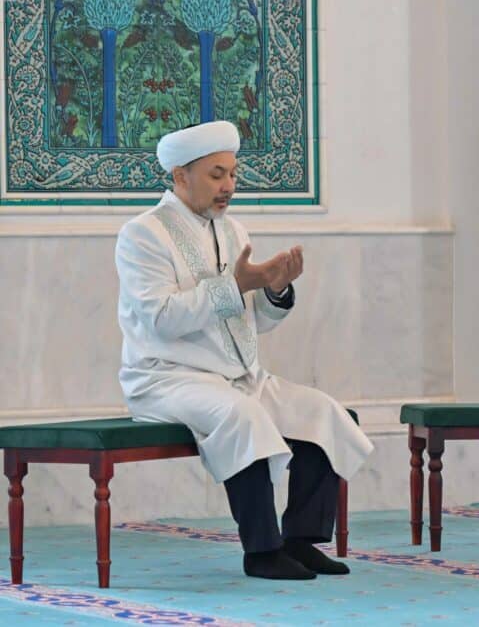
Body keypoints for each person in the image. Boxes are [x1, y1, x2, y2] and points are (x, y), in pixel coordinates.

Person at [115, 121, 373, 579]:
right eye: (217, 175)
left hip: (240, 376)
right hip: (166, 378)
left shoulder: (232, 229)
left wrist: (273, 290)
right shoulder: (143, 235)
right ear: (180, 175)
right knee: (241, 416)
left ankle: (300, 541)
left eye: (233, 174)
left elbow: (250, 322)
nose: (229, 186)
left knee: (323, 412)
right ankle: (262, 551)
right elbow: (160, 318)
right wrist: (235, 285)